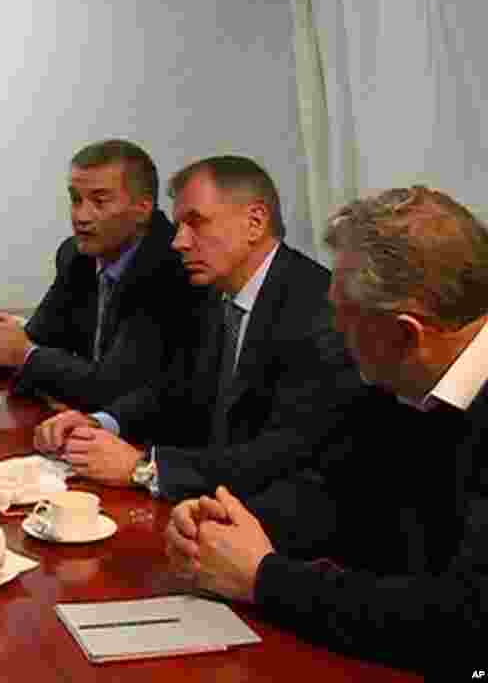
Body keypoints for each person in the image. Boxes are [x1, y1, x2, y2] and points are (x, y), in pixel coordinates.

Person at [166, 186, 488, 674]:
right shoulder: (394, 383)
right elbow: (338, 496)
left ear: (404, 334)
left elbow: (460, 621)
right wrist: (225, 526)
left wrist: (262, 577)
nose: (331, 327)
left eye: (341, 312)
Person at [34, 155, 363, 499]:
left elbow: (280, 453)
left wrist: (145, 468)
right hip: (212, 501)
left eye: (196, 223)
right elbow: (176, 392)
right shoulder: (212, 294)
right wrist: (101, 422)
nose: (179, 242)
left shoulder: (318, 310)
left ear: (255, 221)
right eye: (178, 226)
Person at [0, 139, 200, 412]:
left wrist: (26, 355)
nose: (80, 216)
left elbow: (112, 389)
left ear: (142, 208)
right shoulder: (75, 256)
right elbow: (41, 342)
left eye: (99, 201)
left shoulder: (172, 266)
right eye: (75, 199)